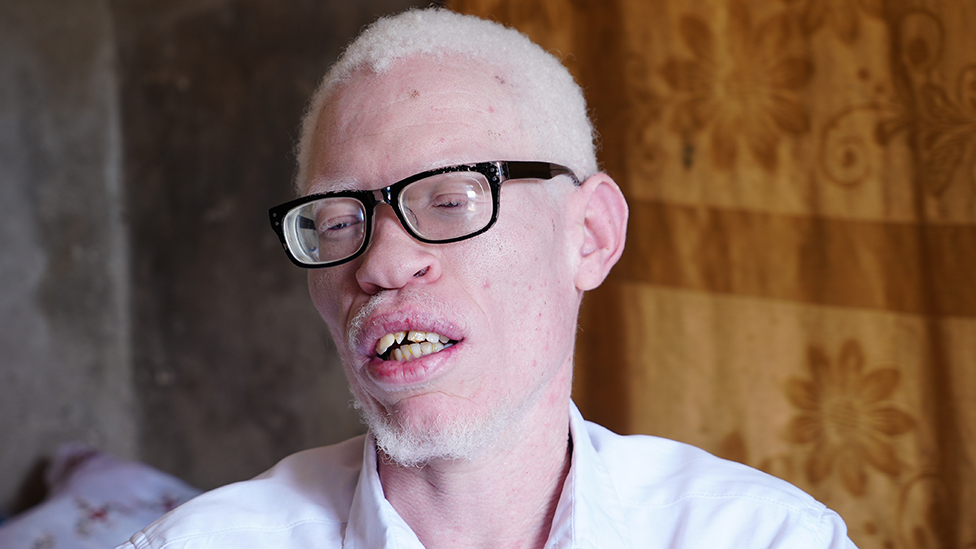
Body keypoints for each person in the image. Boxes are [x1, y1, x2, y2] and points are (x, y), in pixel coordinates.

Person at [119, 8, 857, 549]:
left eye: (449, 200)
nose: (381, 264)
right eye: (340, 222)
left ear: (590, 236)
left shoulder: (767, 537)